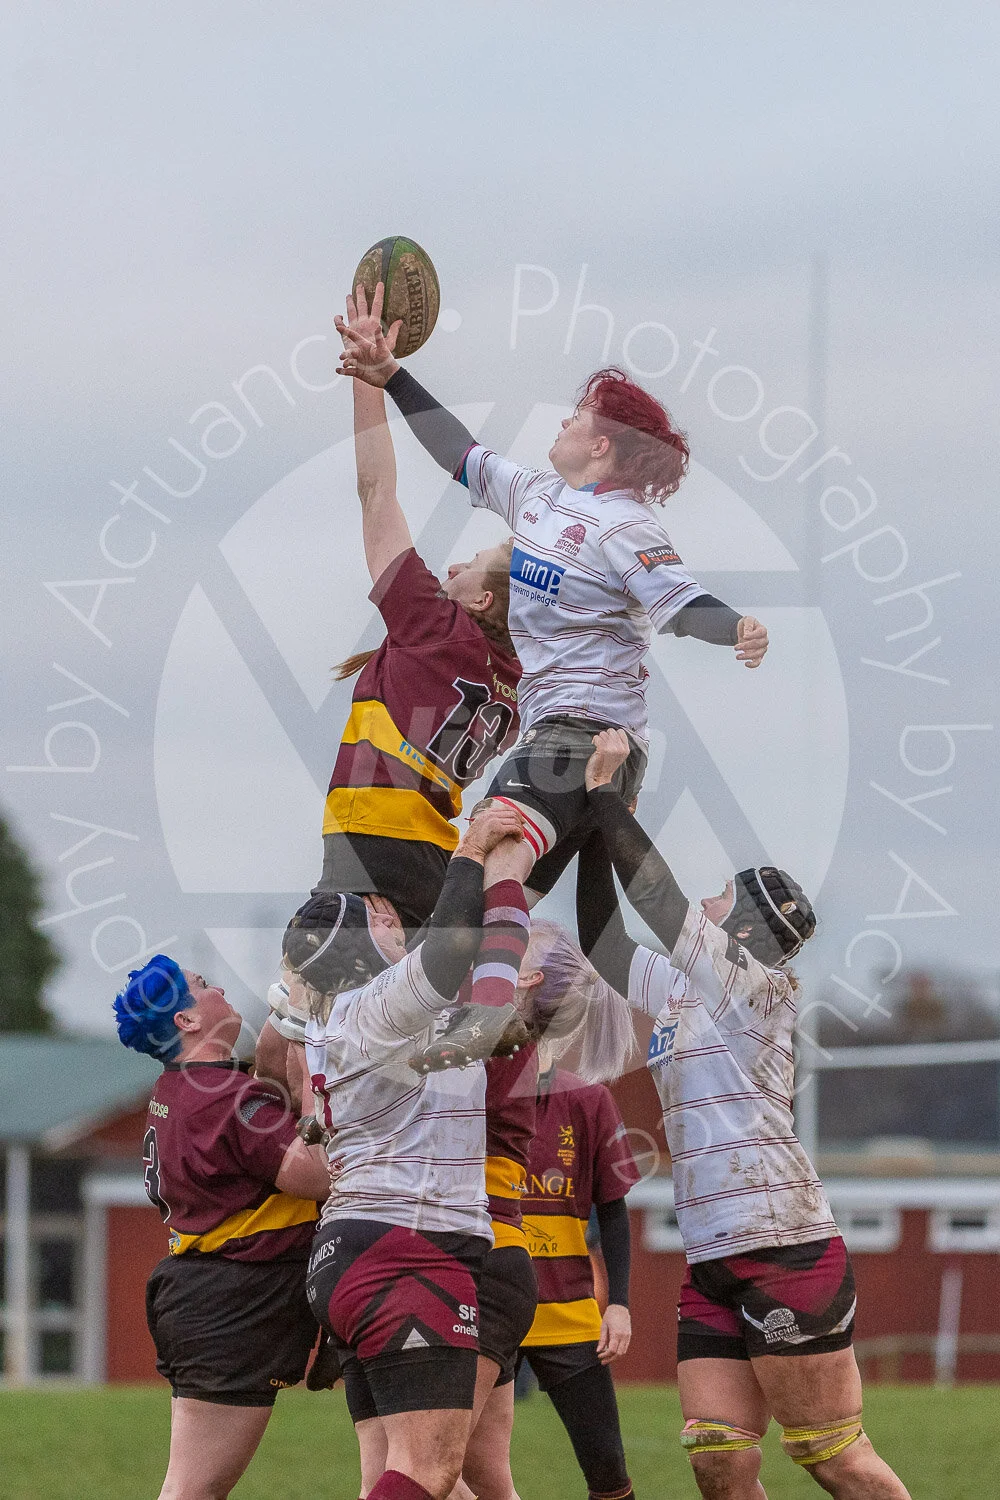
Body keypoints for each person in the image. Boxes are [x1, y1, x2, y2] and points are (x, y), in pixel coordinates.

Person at [336, 296, 768, 909]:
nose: (563, 422)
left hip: (589, 731)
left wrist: (737, 627)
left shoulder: (623, 525)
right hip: (564, 734)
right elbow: (460, 453)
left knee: (487, 852)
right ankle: (490, 993)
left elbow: (682, 601)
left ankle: (478, 991)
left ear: (602, 446)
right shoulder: (539, 499)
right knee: (584, 926)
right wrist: (394, 377)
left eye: (578, 416)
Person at [575, 729, 911, 1500]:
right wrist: (597, 825)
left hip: (785, 1249)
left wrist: (603, 799)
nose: (706, 900)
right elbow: (603, 938)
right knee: (718, 1462)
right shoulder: (688, 989)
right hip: (713, 1258)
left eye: (723, 896)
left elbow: (656, 901)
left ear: (748, 929)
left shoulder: (755, 987)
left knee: (834, 1456)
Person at [276, 802, 529, 1500]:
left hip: (369, 1248)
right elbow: (451, 950)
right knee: (430, 1473)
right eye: (378, 916)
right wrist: (473, 850)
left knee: (399, 1478)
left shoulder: (359, 1015)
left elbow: (488, 994)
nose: (392, 918)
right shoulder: (376, 1006)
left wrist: (511, 879)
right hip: (405, 1249)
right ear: (359, 945)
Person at [321, 283, 520, 930]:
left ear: (484, 600)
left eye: (474, 564)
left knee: (303, 1024)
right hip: (435, 861)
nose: (455, 565)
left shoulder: (435, 626)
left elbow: (376, 492)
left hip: (370, 840)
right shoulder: (518, 683)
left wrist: (364, 374)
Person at [113, 957, 332, 1500]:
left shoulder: (185, 1088)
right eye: (203, 986)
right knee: (194, 1489)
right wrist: (316, 1090)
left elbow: (262, 1073)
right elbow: (318, 1177)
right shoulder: (228, 1098)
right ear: (186, 1021)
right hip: (232, 1299)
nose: (220, 989)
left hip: (207, 1292)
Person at [517, 1041, 641, 1500]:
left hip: (567, 1310)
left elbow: (613, 1209)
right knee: (461, 1465)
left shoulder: (588, 1099)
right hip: (487, 1311)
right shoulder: (472, 1098)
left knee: (608, 1471)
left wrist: (621, 1305)